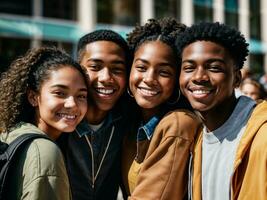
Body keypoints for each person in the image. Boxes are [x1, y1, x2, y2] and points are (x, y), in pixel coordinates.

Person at [177, 21, 267, 200]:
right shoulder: (195, 139)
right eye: (189, 68)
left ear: (236, 78)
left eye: (214, 68)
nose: (199, 77)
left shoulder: (262, 135)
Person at [121, 18, 201, 200]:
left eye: (164, 72)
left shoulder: (179, 124)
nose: (149, 78)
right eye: (141, 67)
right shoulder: (131, 127)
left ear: (177, 79)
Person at [0, 46, 88, 199]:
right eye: (60, 93)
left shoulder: (11, 133)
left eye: (81, 96)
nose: (72, 104)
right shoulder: (45, 151)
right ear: (33, 97)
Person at [57, 29, 131, 200]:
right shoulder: (59, 121)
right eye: (95, 67)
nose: (106, 77)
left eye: (117, 69)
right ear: (78, 69)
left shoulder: (128, 123)